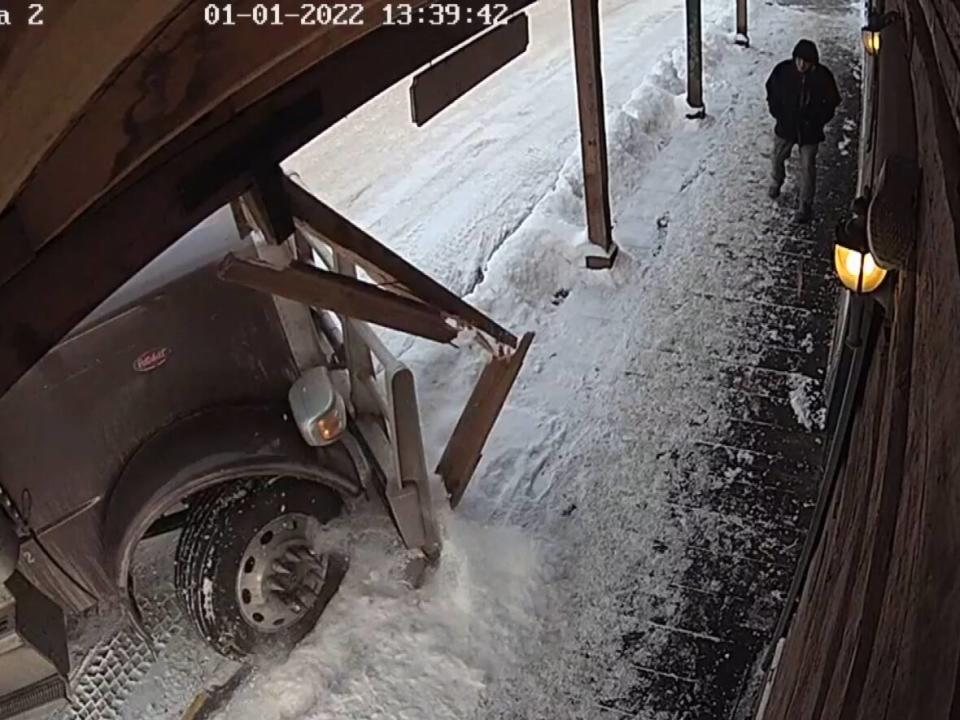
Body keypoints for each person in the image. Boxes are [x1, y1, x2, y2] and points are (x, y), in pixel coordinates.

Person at [765, 39, 841, 223]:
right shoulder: (783, 71)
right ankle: (776, 181)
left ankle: (805, 205)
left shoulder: (823, 77)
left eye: (806, 62)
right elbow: (771, 91)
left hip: (810, 130)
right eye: (798, 60)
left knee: (807, 167)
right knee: (777, 157)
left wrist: (819, 120)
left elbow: (832, 101)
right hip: (786, 125)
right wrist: (778, 113)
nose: (801, 65)